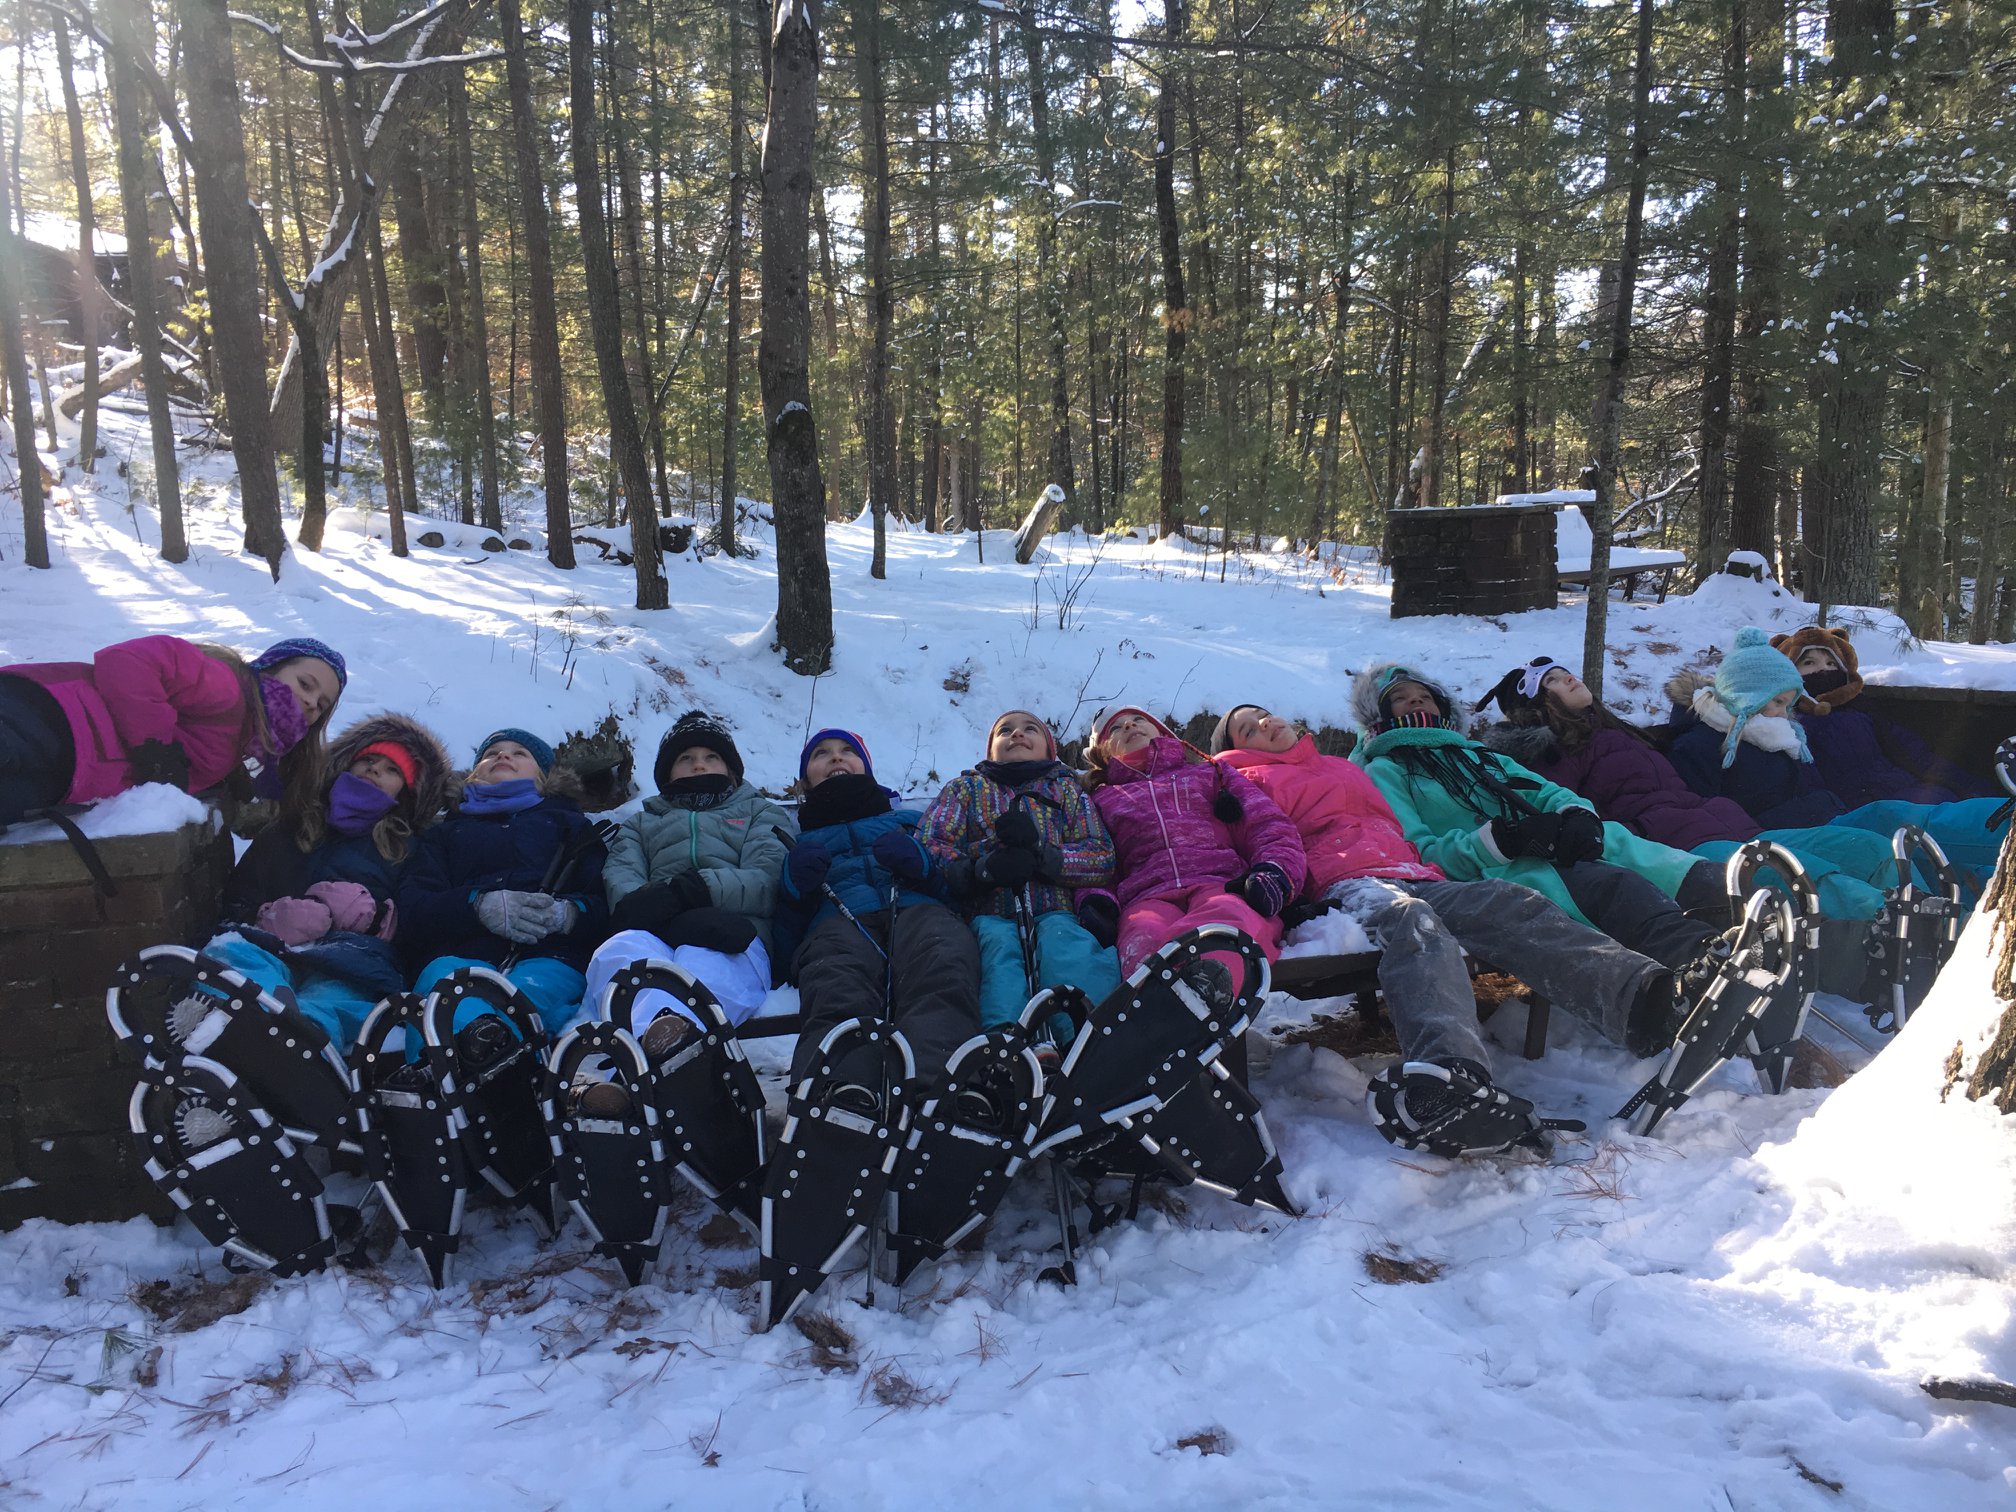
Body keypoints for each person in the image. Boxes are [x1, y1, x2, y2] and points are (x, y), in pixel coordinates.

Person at [1210, 704, 1688, 1069]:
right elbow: (1251, 845)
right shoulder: (1243, 784)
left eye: (1265, 715)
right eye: (1248, 729)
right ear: (1237, 749)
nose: (1264, 724)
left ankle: (1639, 1002)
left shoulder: (1342, 767)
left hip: (1412, 873)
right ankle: (1448, 1072)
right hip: (1341, 885)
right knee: (1412, 925)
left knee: (1508, 901)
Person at [1349, 664, 1725, 974]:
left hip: (1544, 843)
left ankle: (1737, 911)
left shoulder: (1477, 754)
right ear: (1378, 716)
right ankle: (1699, 960)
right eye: (1399, 698)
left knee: (1629, 848)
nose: (1416, 699)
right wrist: (1499, 841)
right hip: (1493, 870)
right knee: (1610, 883)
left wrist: (1575, 813)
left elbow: (1545, 791)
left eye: (1425, 694)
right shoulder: (1385, 771)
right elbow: (1418, 852)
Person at [1478, 656, 1894, 923]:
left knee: (1862, 846)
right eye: (1551, 681)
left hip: (1733, 827)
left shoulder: (1620, 735)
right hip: (1681, 850)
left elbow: (1688, 735)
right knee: (1809, 878)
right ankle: (1898, 933)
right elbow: (1567, 818)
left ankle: (1935, 916)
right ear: (1535, 706)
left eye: (1563, 670)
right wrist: (1638, 833)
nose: (1567, 676)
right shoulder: (1551, 756)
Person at [199, 714, 454, 1051]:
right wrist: (269, 916)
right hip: (272, 945)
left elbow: (418, 913)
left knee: (336, 1001)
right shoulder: (290, 828)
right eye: (368, 760)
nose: (376, 771)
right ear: (344, 766)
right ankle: (237, 1026)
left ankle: (302, 1047)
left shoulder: (408, 848)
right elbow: (241, 895)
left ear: (408, 790)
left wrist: (380, 921)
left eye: (392, 770)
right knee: (230, 954)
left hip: (352, 960)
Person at [1668, 628, 2008, 880]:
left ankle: (2002, 833)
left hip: (1854, 810)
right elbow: (1709, 812)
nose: (1821, 670)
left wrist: (1975, 788)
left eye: (1831, 662)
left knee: (1923, 823)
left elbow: (1919, 756)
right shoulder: (1713, 743)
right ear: (1745, 693)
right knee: (1895, 836)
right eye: (1809, 663)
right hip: (1807, 827)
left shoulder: (1787, 733)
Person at [775, 728, 982, 1111]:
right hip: (836, 923)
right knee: (835, 984)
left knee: (943, 966)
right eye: (821, 753)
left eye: (846, 751)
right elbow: (784, 944)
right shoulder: (795, 839)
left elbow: (959, 894)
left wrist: (922, 867)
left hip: (920, 911)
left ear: (866, 768)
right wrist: (794, 889)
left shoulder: (907, 821)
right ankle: (837, 1096)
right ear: (804, 780)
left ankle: (940, 1090)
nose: (836, 757)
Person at [583, 710, 793, 1067]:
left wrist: (696, 890)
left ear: (730, 769)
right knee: (619, 951)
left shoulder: (760, 812)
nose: (699, 765)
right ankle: (664, 1052)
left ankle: (645, 1066)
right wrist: (665, 907)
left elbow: (767, 878)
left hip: (732, 935)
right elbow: (622, 884)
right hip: (656, 932)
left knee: (703, 963)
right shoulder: (641, 823)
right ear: (667, 772)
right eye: (686, 758)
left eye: (712, 757)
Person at [917, 709, 1120, 1053]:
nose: (1017, 735)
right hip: (989, 912)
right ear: (990, 749)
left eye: (1030, 729)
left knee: (1066, 949)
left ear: (1048, 749)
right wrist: (981, 868)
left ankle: (1089, 1039)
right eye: (1005, 731)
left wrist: (1045, 855)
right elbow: (930, 844)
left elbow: (1101, 856)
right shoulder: (965, 789)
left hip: (1057, 910)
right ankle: (1006, 1045)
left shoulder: (1067, 792)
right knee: (998, 959)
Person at [1078, 707, 1306, 1011]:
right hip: (1147, 897)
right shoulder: (1102, 800)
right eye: (1115, 729)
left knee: (1224, 927)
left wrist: (1276, 873)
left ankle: (1198, 999)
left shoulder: (1211, 773)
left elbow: (1267, 825)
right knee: (1143, 940)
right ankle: (1157, 1013)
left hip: (1221, 884)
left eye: (1139, 719)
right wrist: (1096, 901)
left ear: (1162, 731)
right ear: (1103, 754)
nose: (1129, 725)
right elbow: (1098, 860)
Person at [397, 728, 609, 1049]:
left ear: (545, 776)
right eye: (491, 752)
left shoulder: (572, 828)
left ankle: (489, 1069)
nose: (503, 755)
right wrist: (477, 907)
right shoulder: (444, 833)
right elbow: (413, 908)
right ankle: (475, 1067)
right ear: (473, 773)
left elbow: (606, 906)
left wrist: (567, 915)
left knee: (530, 999)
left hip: (550, 958)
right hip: (458, 956)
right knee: (447, 998)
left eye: (520, 753)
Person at [0, 634, 345, 826]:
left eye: (323, 704)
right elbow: (128, 661)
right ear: (269, 669)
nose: (311, 701)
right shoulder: (225, 684)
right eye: (305, 683)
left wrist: (225, 774)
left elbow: (198, 736)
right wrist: (155, 746)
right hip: (51, 717)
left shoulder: (243, 736)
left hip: (67, 778)